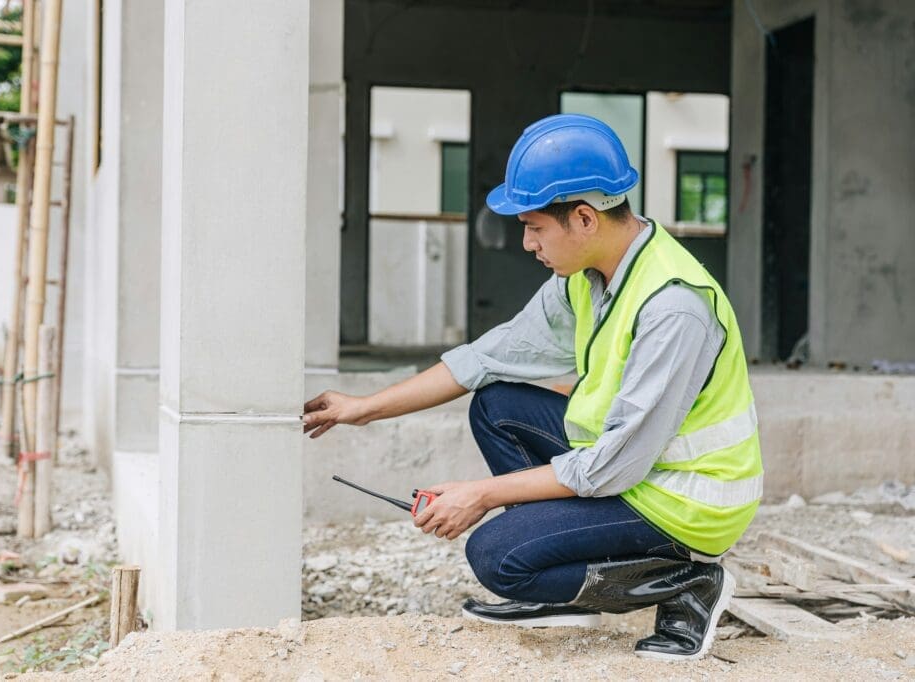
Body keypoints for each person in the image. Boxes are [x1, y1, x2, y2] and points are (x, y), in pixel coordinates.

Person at [303, 113, 762, 661]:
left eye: (535, 227)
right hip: (634, 470)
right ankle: (560, 586)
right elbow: (488, 358)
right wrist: (364, 408)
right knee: (496, 404)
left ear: (585, 218)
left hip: (685, 499)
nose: (526, 243)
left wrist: (481, 494)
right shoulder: (588, 278)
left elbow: (612, 467)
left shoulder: (673, 307)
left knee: (497, 557)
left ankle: (689, 585)